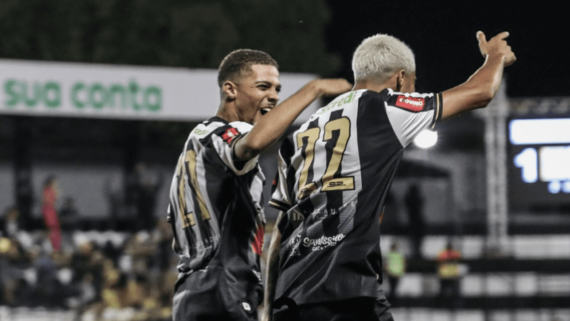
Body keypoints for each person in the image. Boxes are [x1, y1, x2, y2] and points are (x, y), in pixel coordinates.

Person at [263, 30, 516, 321]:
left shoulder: (298, 135)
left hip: (290, 297)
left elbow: (280, 233)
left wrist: (268, 311)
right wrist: (494, 57)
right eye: (413, 83)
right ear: (400, 78)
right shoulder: (384, 106)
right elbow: (480, 93)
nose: (412, 90)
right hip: (348, 291)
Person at [167, 49, 351, 321]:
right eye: (262, 86)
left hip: (191, 292)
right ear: (230, 90)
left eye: (277, 88)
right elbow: (252, 142)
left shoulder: (197, 147)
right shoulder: (223, 135)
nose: (274, 96)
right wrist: (313, 90)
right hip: (224, 288)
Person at [437, 241, 462, 309]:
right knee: (452, 291)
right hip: (451, 275)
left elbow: (439, 263)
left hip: (446, 275)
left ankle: (443, 304)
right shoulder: (455, 254)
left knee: (445, 291)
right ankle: (450, 303)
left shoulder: (442, 254)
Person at [42, 176, 61, 251]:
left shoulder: (50, 190)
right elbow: (46, 201)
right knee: (52, 228)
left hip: (51, 210)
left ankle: (55, 246)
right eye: (55, 183)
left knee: (55, 228)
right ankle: (53, 246)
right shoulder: (47, 191)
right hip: (48, 210)